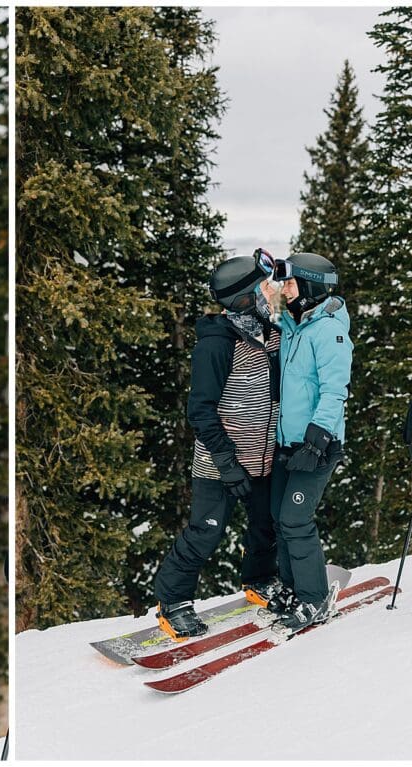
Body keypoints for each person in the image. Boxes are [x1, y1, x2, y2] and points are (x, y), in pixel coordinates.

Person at [153, 249, 285, 641]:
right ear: (245, 299)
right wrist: (227, 462)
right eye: (263, 288)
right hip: (219, 463)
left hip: (263, 456)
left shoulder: (270, 333)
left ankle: (260, 579)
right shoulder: (216, 345)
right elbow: (200, 411)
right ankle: (173, 601)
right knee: (205, 531)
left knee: (265, 525)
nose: (270, 293)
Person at [261, 252, 353, 635]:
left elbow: (335, 391)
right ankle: (292, 588)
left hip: (318, 444)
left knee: (296, 519)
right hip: (288, 443)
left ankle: (314, 599)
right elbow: (272, 317)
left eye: (291, 283)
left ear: (311, 286)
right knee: (280, 518)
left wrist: (315, 442)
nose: (286, 289)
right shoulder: (295, 325)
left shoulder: (329, 332)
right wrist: (268, 296)